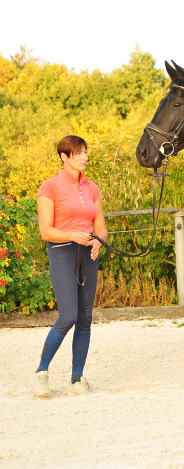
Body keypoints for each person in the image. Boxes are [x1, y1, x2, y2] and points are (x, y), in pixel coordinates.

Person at [33, 135, 107, 397]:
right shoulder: (49, 187)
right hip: (63, 252)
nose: (84, 157)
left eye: (85, 152)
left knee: (85, 319)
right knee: (69, 316)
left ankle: (77, 378)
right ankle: (42, 372)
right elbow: (46, 231)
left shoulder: (92, 188)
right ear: (64, 157)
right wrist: (72, 236)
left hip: (88, 254)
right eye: (79, 153)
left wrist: (99, 240)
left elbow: (100, 226)